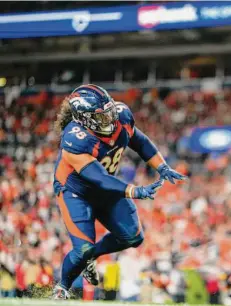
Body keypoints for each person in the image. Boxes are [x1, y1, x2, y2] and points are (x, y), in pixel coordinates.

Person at [51, 84, 186, 299]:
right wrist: (136, 191)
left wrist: (162, 166)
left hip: (104, 189)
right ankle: (62, 288)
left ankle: (90, 259)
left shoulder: (121, 116)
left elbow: (139, 142)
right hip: (77, 192)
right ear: (84, 119)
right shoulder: (75, 139)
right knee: (83, 249)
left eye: (110, 112)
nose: (110, 120)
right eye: (102, 117)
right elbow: (101, 179)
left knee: (133, 238)